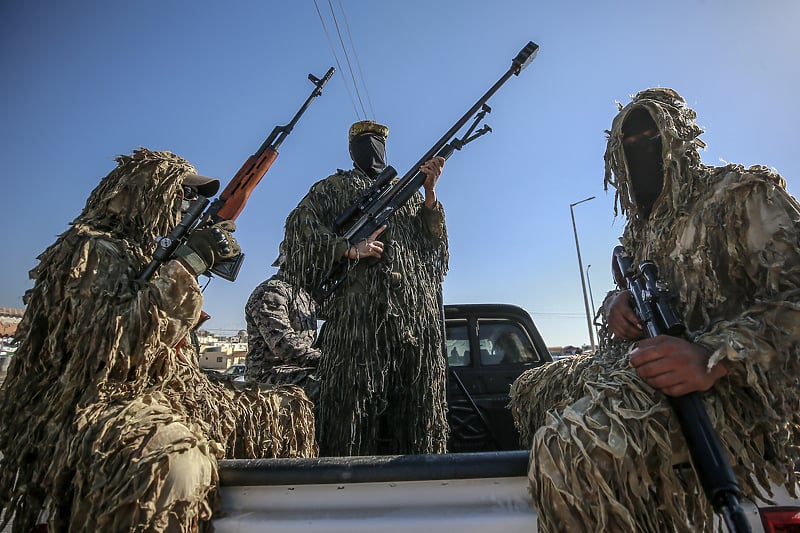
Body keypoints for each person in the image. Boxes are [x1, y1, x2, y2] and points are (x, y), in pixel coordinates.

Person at [510, 88, 800, 532]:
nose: (641, 149)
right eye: (629, 143)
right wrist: (615, 304)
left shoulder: (741, 195)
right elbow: (621, 284)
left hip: (736, 392)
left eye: (652, 135)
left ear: (678, 141)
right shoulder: (642, 231)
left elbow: (793, 300)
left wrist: (715, 356)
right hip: (650, 367)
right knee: (530, 386)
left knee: (572, 451)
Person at [0, 148, 317, 532]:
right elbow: (115, 354)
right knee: (175, 462)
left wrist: (187, 263)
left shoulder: (147, 254)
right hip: (95, 399)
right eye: (181, 195)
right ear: (143, 194)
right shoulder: (90, 248)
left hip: (167, 387)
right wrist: (186, 266)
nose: (189, 206)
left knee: (291, 407)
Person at [281, 120, 450, 456]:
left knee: (420, 413)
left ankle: (427, 489)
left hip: (415, 320)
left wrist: (430, 196)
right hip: (356, 323)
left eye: (376, 143)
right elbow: (298, 232)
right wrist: (346, 248)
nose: (371, 149)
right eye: (364, 142)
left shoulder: (410, 193)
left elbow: (437, 252)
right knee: (349, 416)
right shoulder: (332, 188)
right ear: (351, 149)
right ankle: (346, 491)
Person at [244, 250, 321, 403]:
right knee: (329, 385)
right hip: (266, 378)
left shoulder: (303, 294)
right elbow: (284, 344)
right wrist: (324, 360)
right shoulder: (272, 291)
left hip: (297, 371)